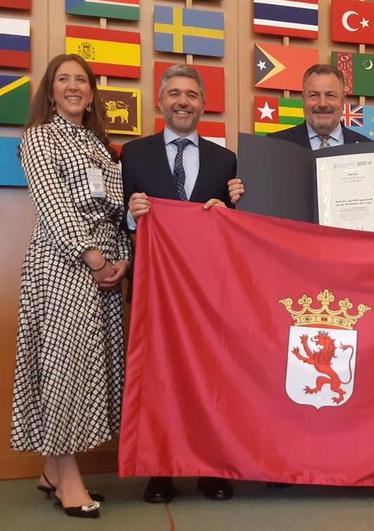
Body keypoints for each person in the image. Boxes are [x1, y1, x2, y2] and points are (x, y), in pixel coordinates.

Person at [10, 54, 131, 519]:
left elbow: (118, 212)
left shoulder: (101, 145)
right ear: (51, 90)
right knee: (62, 371)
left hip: (102, 270)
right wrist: (93, 257)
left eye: (81, 80)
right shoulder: (40, 137)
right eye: (64, 80)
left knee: (87, 370)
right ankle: (69, 480)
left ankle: (49, 471)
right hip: (62, 266)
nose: (74, 87)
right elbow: (53, 204)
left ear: (93, 91)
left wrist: (121, 259)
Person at [121, 64, 236, 504]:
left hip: (208, 293)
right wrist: (134, 213)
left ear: (203, 104)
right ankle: (161, 470)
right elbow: (119, 220)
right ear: (160, 101)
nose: (182, 101)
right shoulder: (133, 153)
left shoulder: (225, 160)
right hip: (154, 289)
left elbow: (234, 230)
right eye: (174, 93)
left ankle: (209, 467)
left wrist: (228, 211)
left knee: (211, 379)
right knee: (158, 380)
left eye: (190, 94)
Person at [228, 64, 374, 204]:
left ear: (343, 100)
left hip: (346, 245)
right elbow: (261, 206)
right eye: (314, 95)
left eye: (331, 95)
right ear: (303, 99)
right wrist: (244, 195)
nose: (322, 103)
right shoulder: (273, 147)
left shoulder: (371, 153)